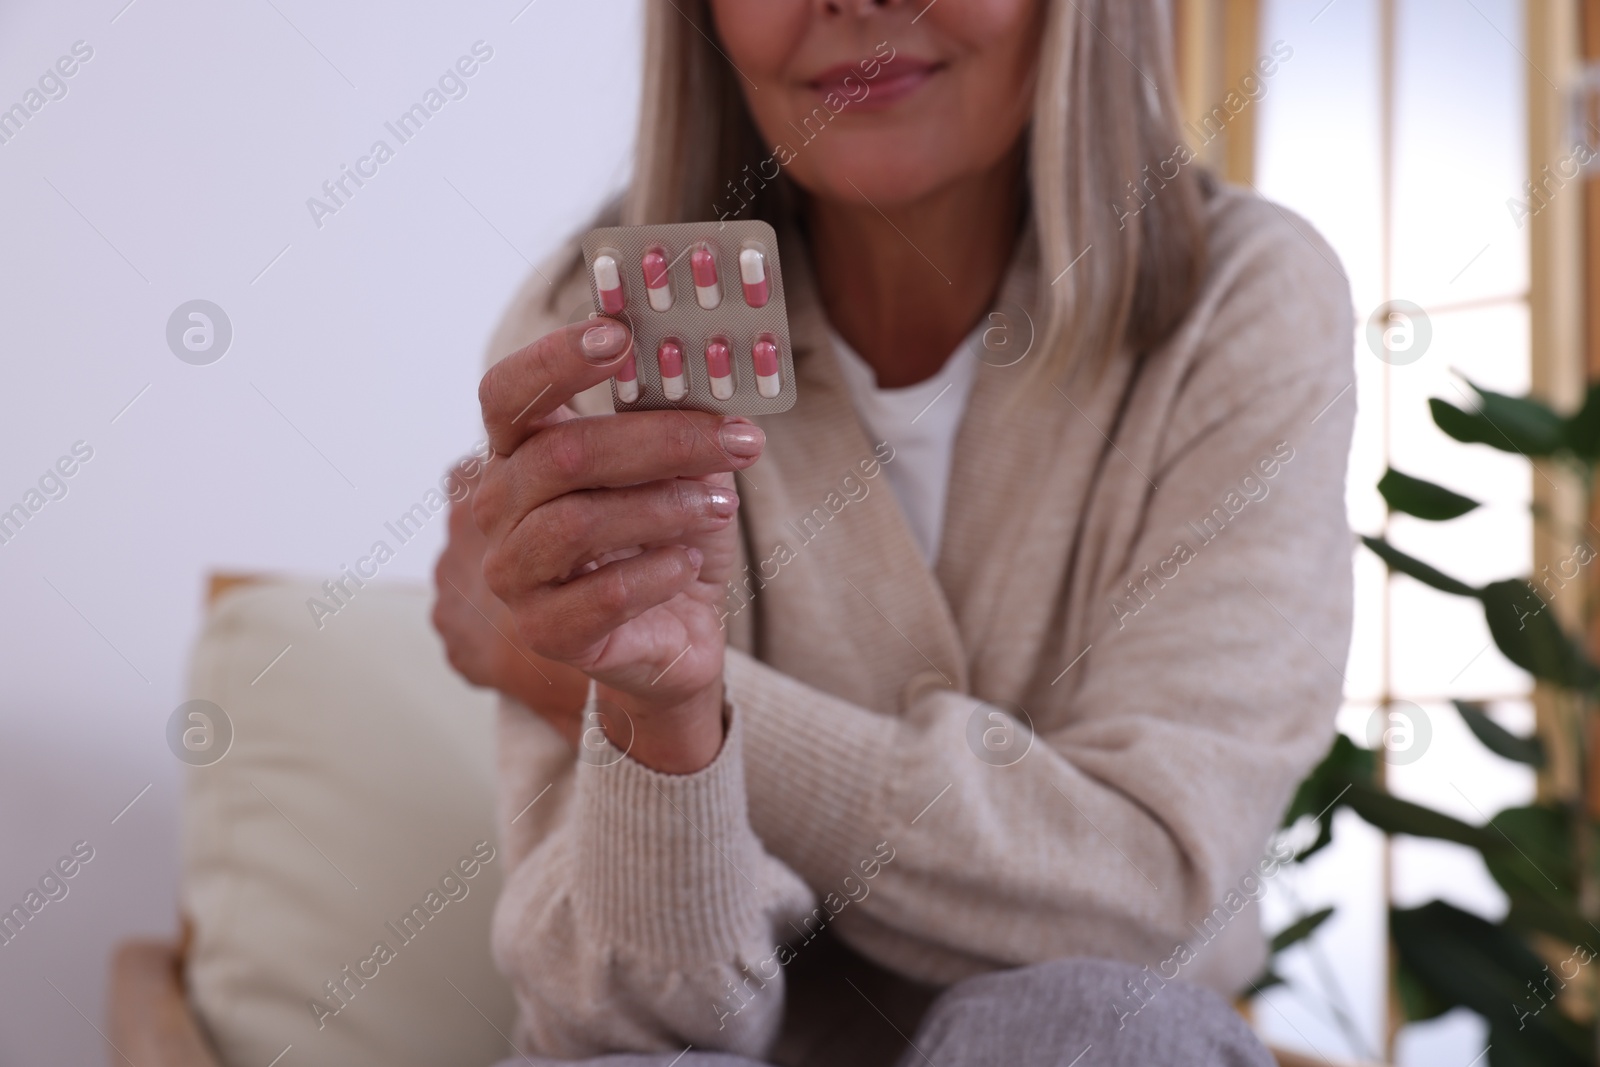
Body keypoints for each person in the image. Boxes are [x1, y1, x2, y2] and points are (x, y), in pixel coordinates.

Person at [432, 1, 1355, 1063]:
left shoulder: (1243, 299)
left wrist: (659, 702)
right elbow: (629, 1016)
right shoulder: (594, 329)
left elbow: (1149, 898)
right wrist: (664, 723)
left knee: (1085, 1029)